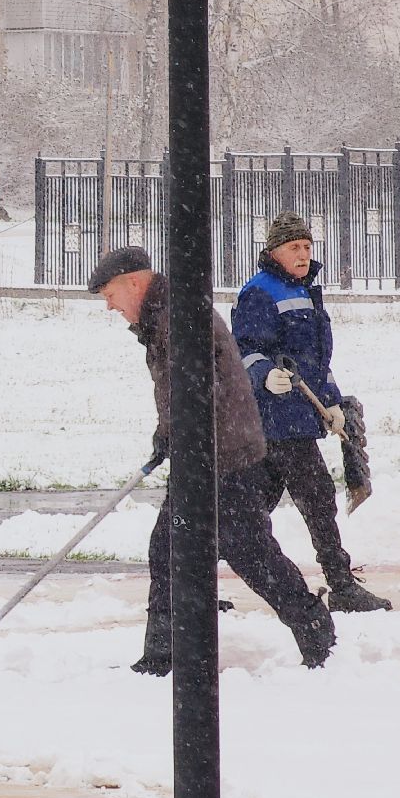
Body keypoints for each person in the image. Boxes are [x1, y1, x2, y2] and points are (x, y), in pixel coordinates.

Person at [88, 246, 336, 674]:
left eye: (110, 294)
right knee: (170, 549)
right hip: (205, 453)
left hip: (221, 457)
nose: (110, 306)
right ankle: (164, 655)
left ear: (134, 282)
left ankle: (313, 626)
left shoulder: (178, 317)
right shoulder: (164, 316)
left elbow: (204, 390)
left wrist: (184, 437)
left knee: (250, 553)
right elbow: (181, 391)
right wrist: (168, 435)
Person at [231, 211, 392, 613]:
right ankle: (341, 585)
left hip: (298, 417)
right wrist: (264, 375)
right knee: (317, 498)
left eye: (307, 246)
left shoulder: (305, 291)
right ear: (274, 252)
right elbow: (243, 349)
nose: (303, 254)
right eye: (294, 247)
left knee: (247, 512)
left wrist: (332, 400)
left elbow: (315, 360)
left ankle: (191, 583)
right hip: (274, 419)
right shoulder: (259, 293)